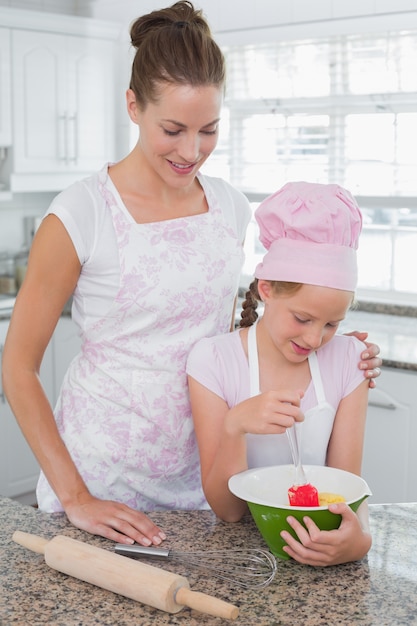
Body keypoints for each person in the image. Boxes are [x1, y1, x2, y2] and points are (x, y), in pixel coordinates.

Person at [2, 2, 380, 549]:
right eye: (173, 129)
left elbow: (239, 337)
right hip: (103, 475)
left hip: (209, 476)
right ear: (133, 106)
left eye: (209, 130)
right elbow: (17, 368)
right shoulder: (81, 213)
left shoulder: (228, 207)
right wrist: (77, 495)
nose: (192, 151)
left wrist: (333, 348)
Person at [187, 181, 373, 566]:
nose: (315, 338)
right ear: (267, 289)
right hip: (245, 556)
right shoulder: (212, 361)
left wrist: (359, 542)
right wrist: (234, 425)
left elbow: (343, 490)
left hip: (315, 546)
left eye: (332, 324)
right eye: (303, 318)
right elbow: (229, 512)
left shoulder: (350, 361)